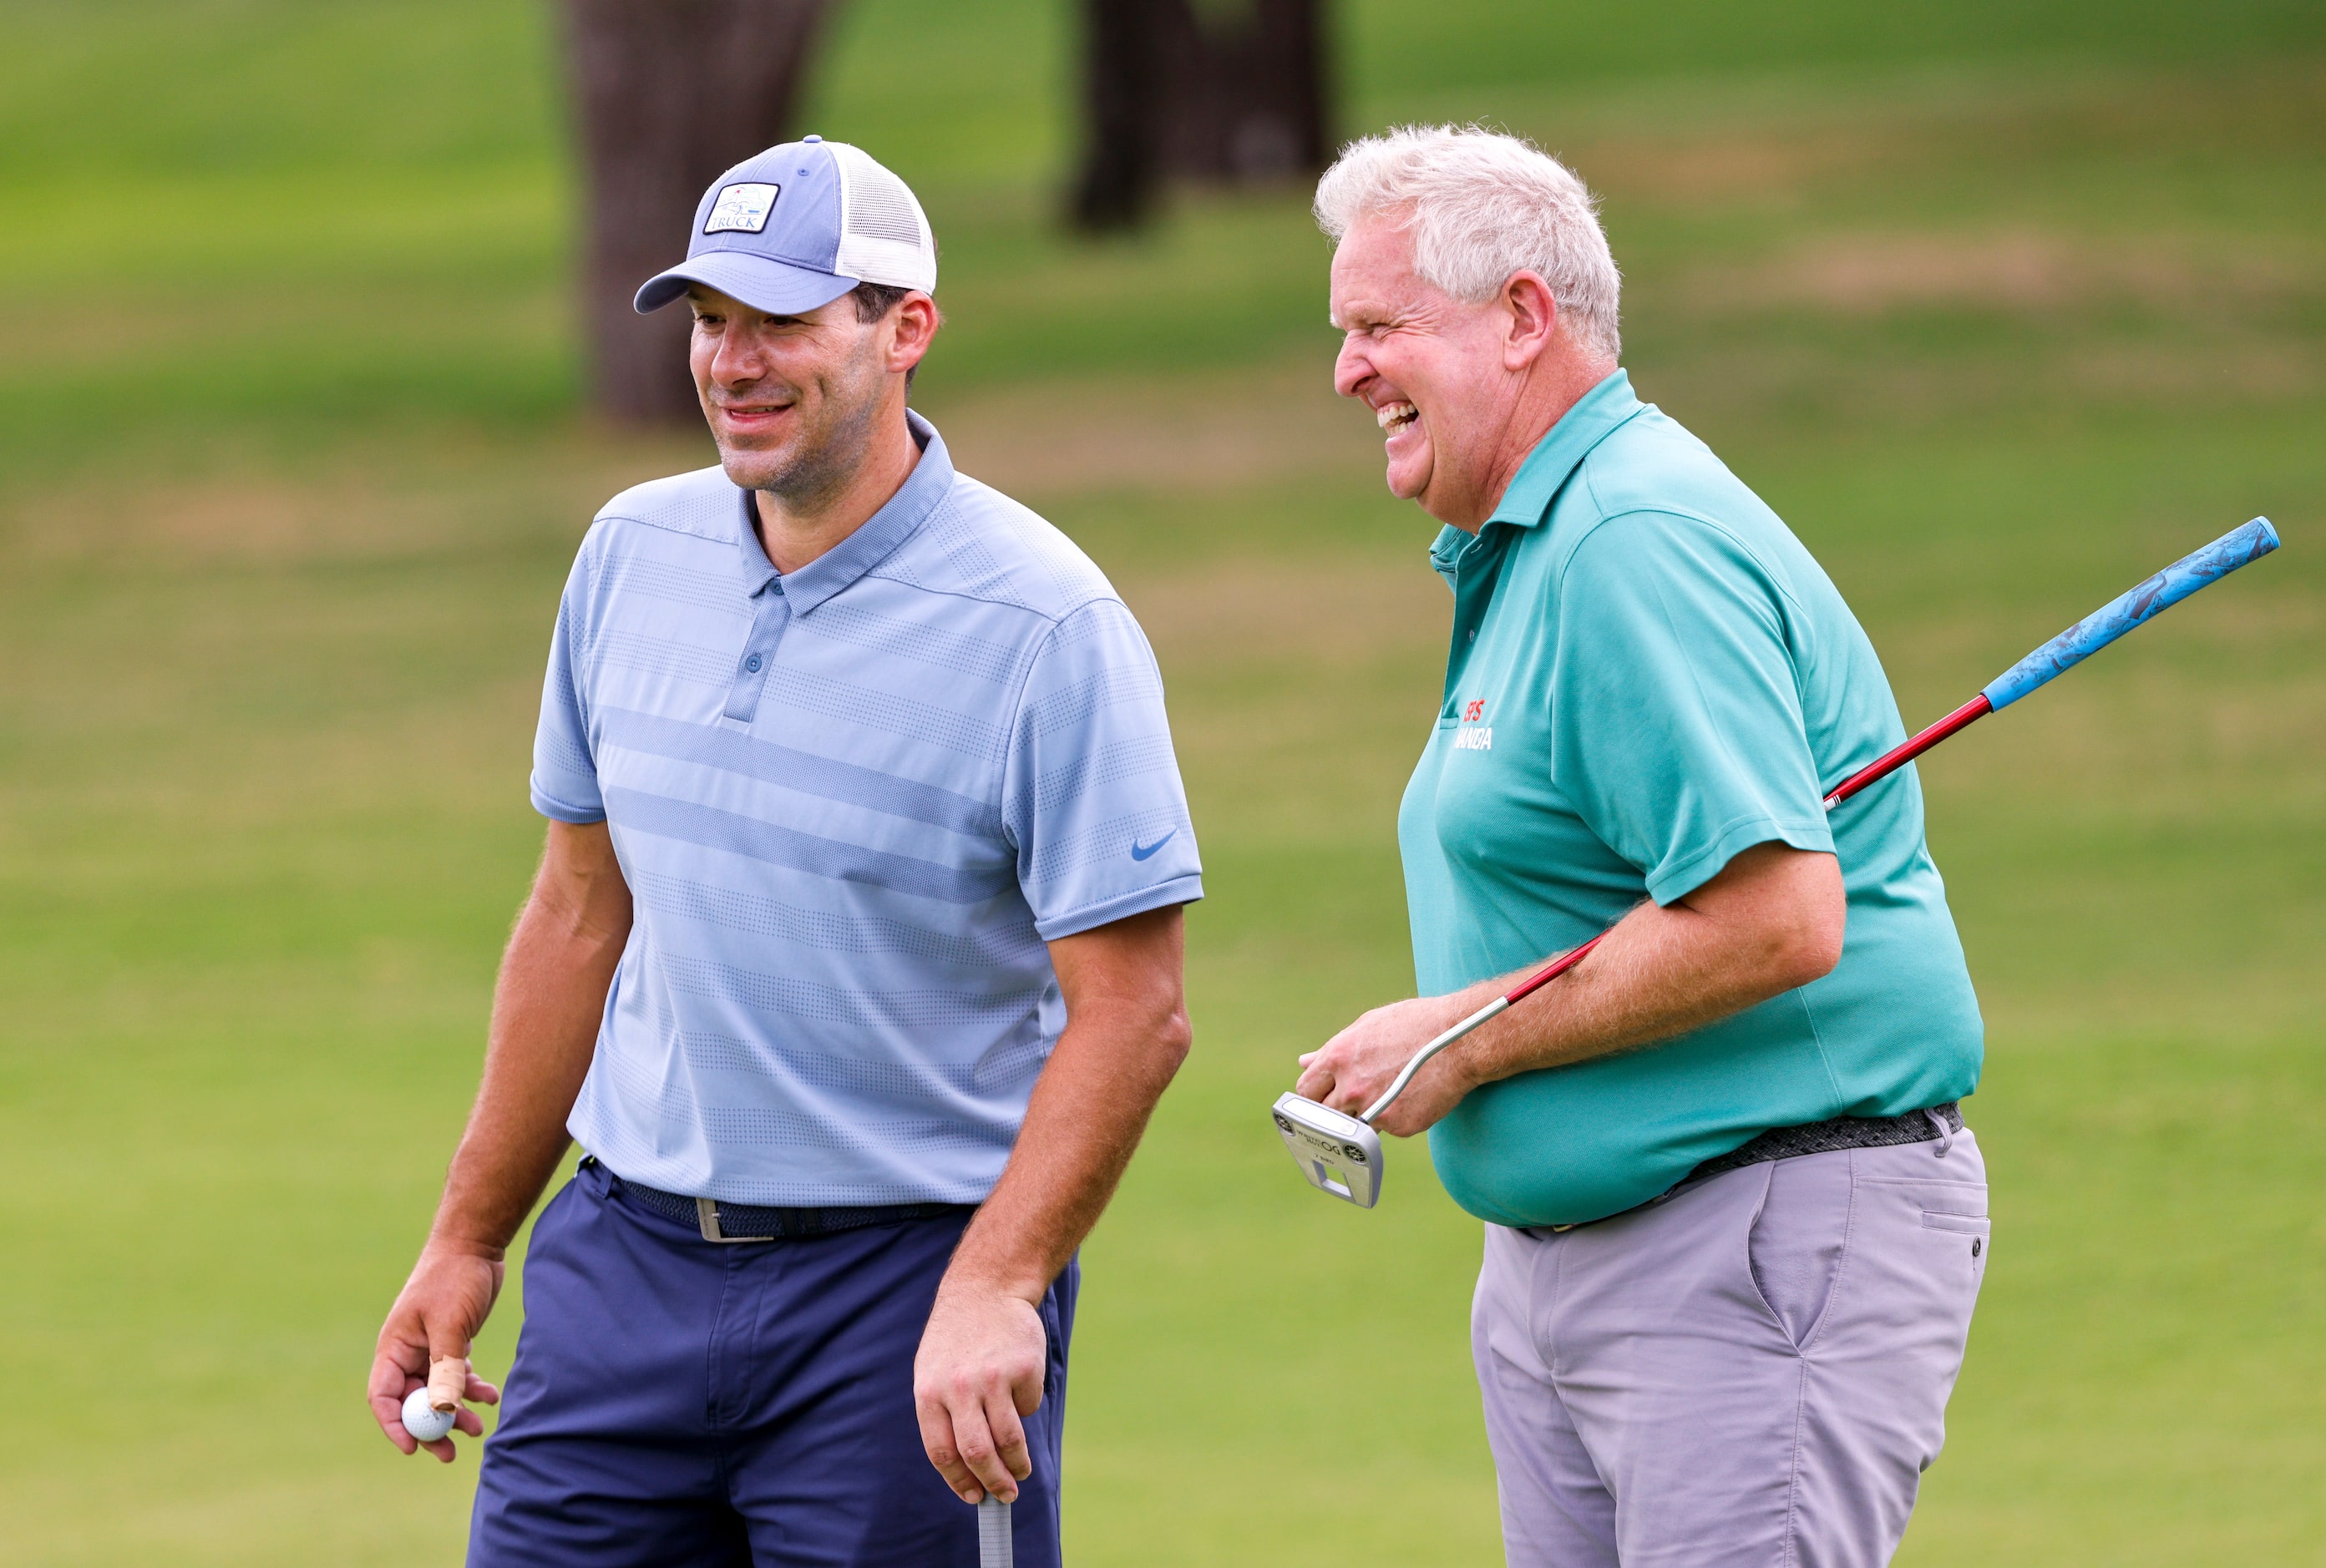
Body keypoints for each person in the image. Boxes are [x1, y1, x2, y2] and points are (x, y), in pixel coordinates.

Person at [365, 136, 1201, 1567]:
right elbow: (578, 918)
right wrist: (468, 1235)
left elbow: (1136, 1012)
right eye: (709, 321)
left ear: (905, 328)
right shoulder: (630, 553)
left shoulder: (1049, 626)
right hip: (622, 1268)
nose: (733, 363)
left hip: (902, 1290)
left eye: (782, 321)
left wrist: (999, 1282)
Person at [1295, 124, 1990, 1565]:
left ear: (1524, 319)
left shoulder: (1631, 541)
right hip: (1584, 1267)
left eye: (1380, 328)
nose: (1349, 370)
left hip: (1746, 1242)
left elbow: (1779, 918)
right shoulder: (1539, 541)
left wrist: (1462, 1040)